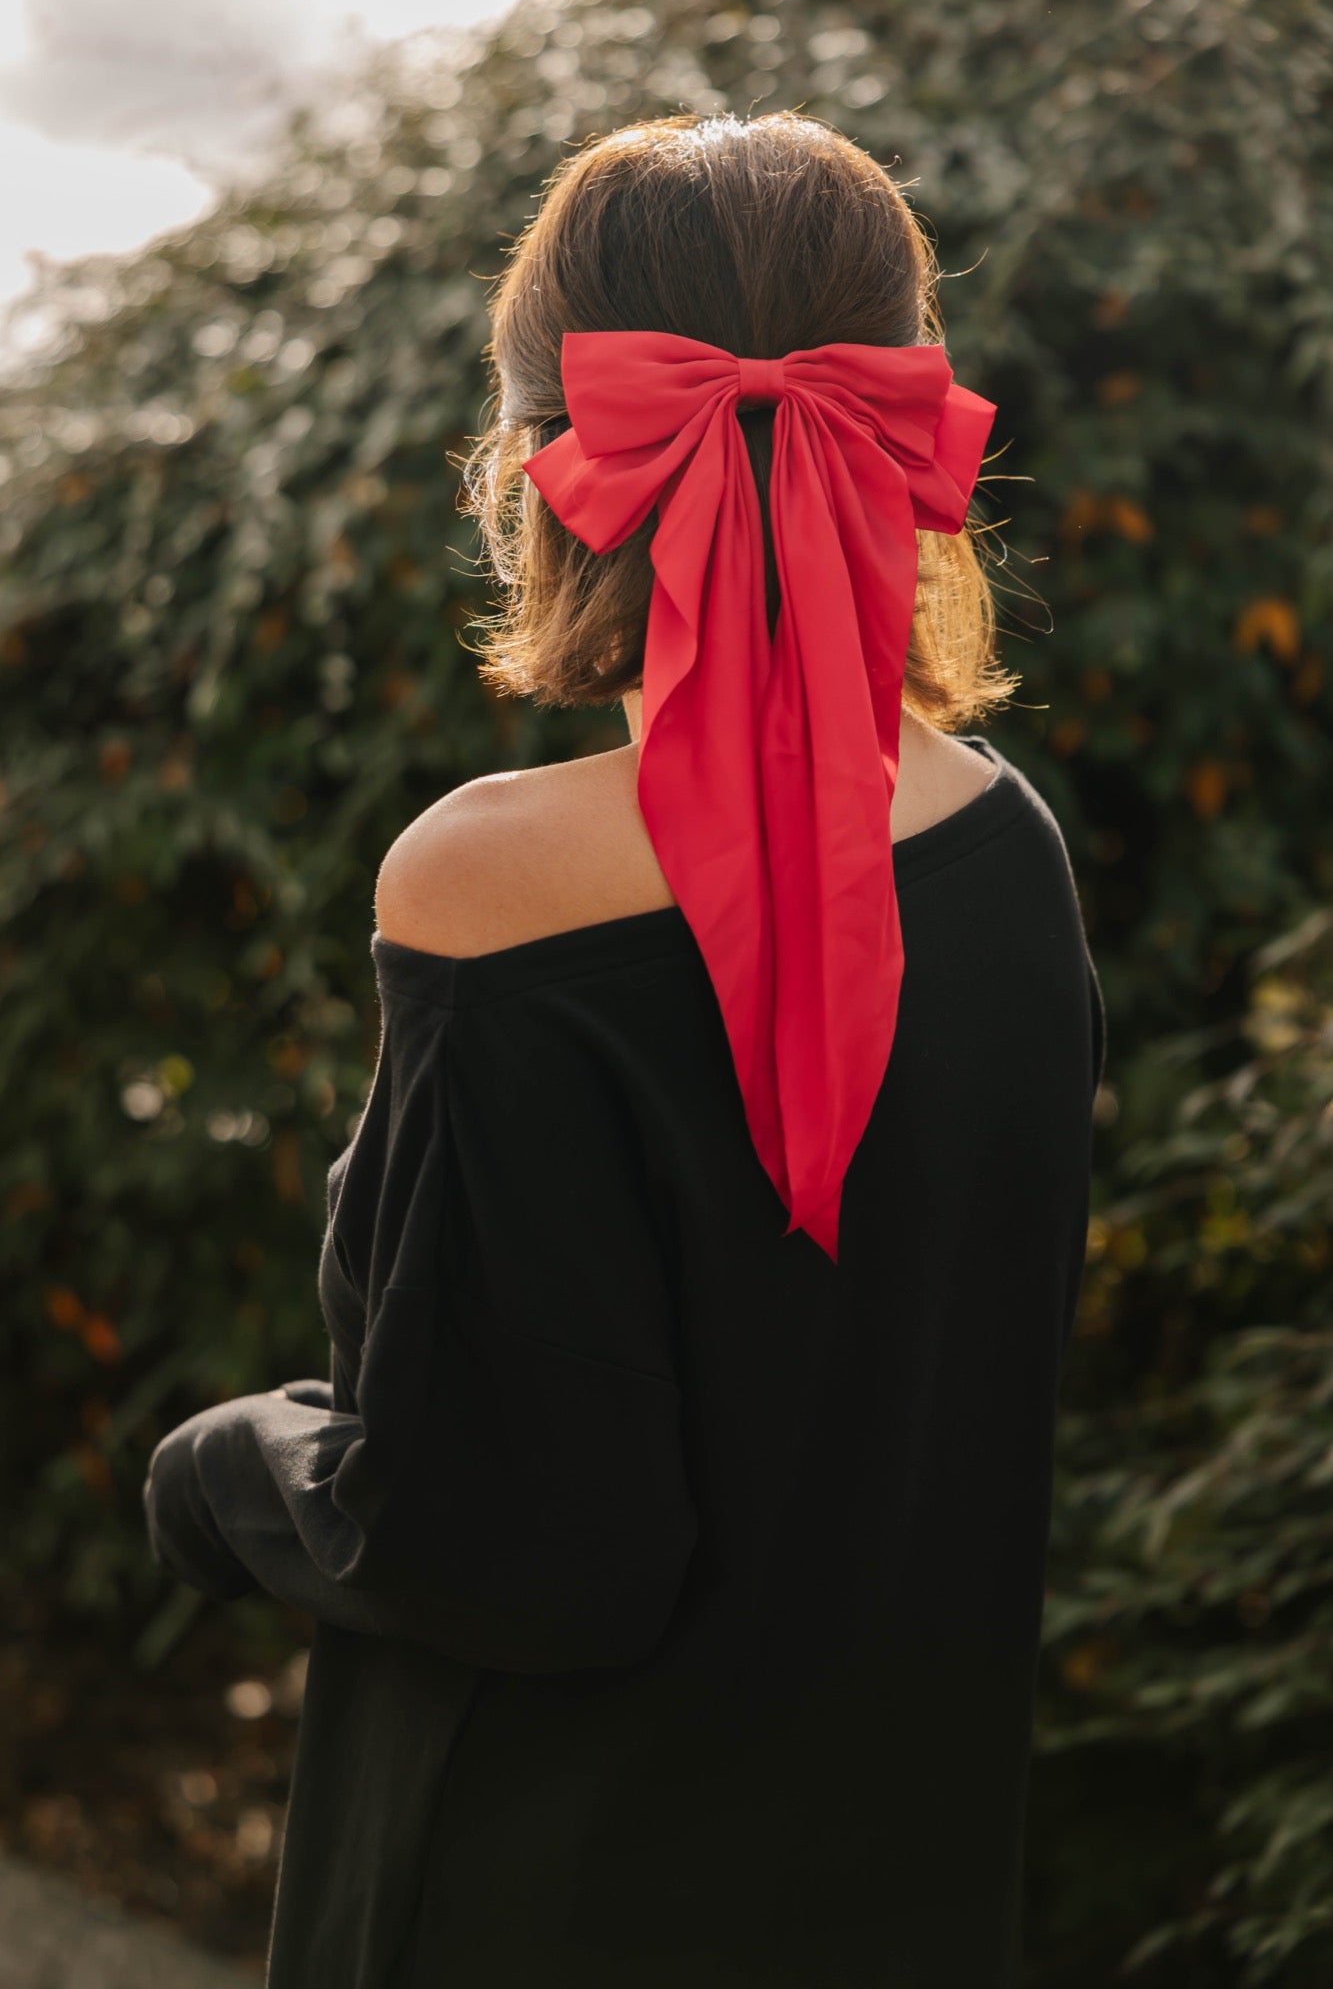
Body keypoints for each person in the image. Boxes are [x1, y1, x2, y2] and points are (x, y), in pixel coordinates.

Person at [143, 111, 1106, 1989]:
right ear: (903, 444)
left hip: (542, 1896)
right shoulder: (1012, 848)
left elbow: (513, 1546)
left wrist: (225, 1469)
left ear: (530, 462)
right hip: (899, 1876)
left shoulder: (489, 883)